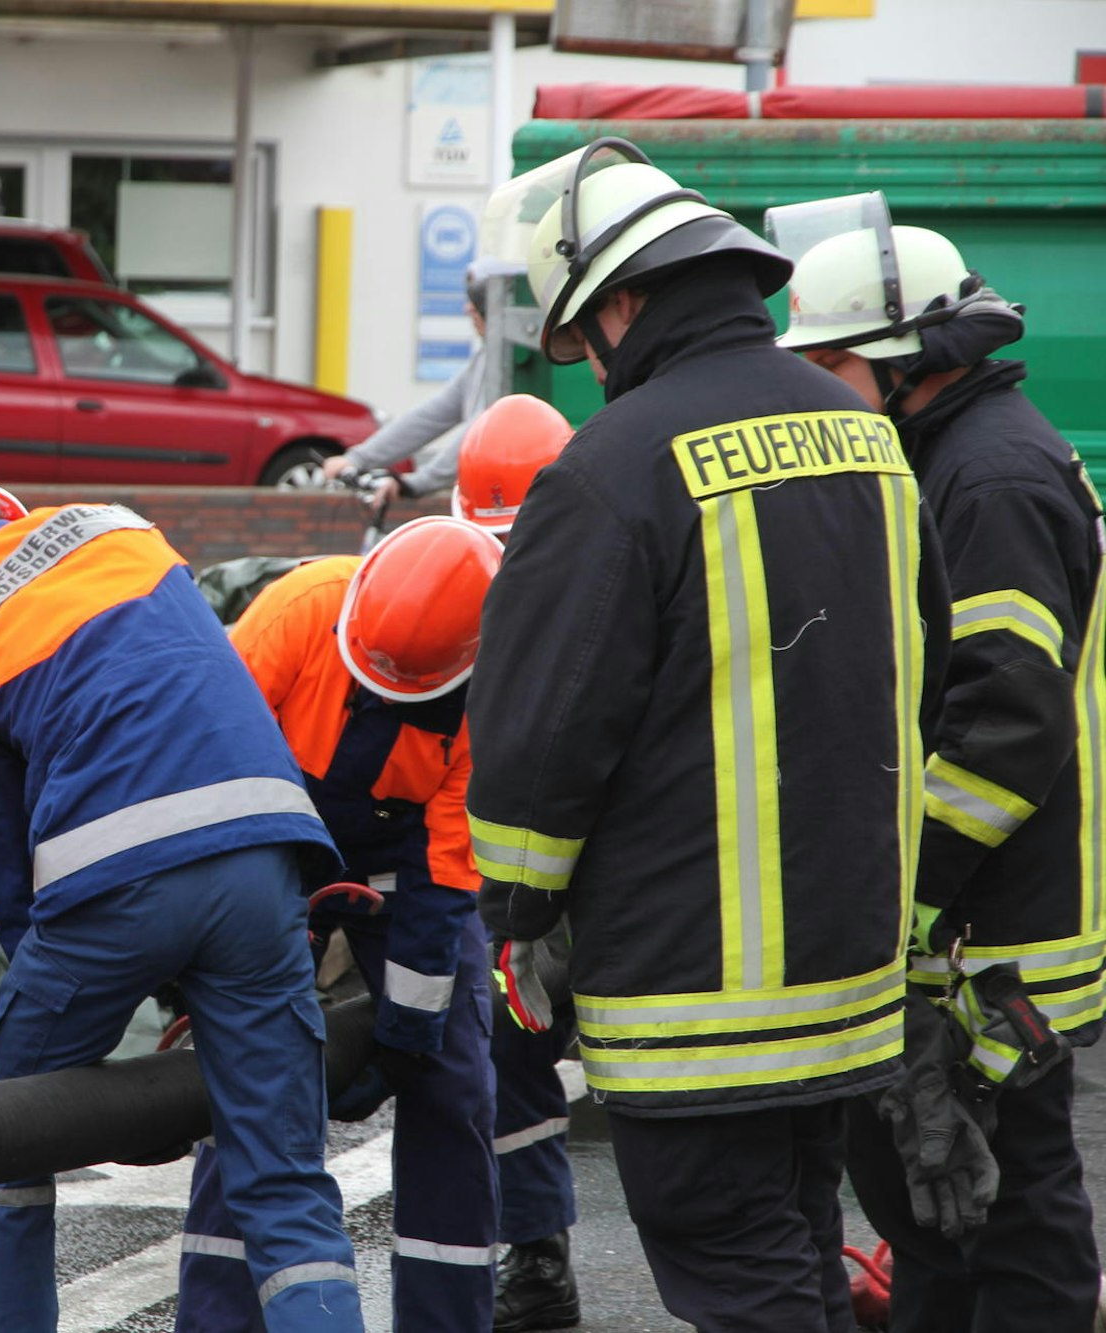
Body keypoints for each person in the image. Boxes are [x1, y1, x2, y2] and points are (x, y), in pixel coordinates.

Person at [463, 138, 950, 1333]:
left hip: (694, 1007)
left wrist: (514, 916)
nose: (586, 367)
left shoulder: (610, 470)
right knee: (793, 1256)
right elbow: (927, 673)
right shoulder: (867, 439)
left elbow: (536, 745)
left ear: (623, 299)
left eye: (582, 338)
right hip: (848, 982)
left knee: (739, 1277)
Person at [0, 483, 366, 1333]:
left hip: (115, 884)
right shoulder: (120, 533)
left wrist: (58, 984)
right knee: (287, 1184)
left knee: (5, 1128)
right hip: (267, 854)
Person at [775, 198, 1104, 1330]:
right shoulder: (955, 456)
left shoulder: (988, 481)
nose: (813, 389)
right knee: (937, 1214)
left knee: (1011, 1218)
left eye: (827, 363)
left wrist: (900, 895)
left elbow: (1003, 727)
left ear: (905, 359)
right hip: (974, 924)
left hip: (992, 932)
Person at [177, 515, 505, 1332]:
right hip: (267, 838)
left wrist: (407, 1034)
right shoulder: (297, 612)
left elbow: (445, 870)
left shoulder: (488, 697)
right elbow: (205, 767)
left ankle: (446, 1317)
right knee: (250, 1065)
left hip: (404, 859)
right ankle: (221, 1318)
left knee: (454, 1079)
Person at [444, 394, 586, 1333]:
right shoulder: (481, 584)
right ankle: (538, 1260)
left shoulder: (601, 577)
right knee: (510, 1052)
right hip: (509, 877)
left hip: (570, 876)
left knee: (517, 1047)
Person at [320, 263, 491, 506]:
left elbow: (479, 431)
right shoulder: (484, 358)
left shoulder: (508, 365)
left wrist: (417, 482)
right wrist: (357, 459)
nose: (467, 308)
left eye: (477, 299)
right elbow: (429, 417)